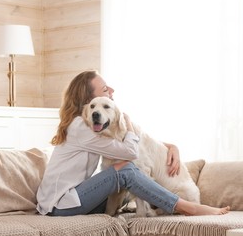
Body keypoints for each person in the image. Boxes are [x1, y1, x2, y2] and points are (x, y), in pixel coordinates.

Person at [36, 70, 230, 216]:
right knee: (125, 169)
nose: (111, 90)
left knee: (126, 180)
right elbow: (130, 151)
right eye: (105, 89)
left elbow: (139, 143)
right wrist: (128, 125)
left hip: (76, 198)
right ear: (89, 100)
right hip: (60, 204)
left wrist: (172, 146)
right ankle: (187, 207)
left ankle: (155, 207)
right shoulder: (80, 126)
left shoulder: (92, 125)